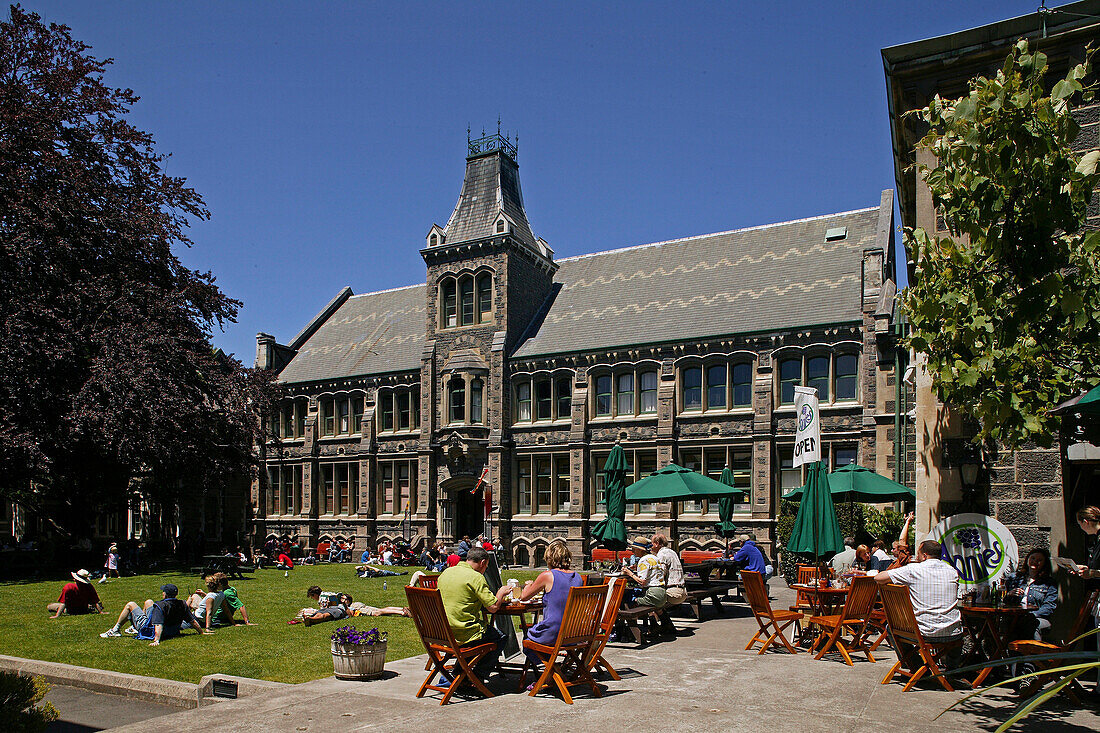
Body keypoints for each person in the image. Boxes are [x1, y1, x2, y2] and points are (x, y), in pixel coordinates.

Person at [874, 539, 963, 653]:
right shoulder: (952, 571)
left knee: (891, 629)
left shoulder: (913, 570)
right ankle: (953, 669)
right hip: (953, 632)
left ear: (924, 556)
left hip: (925, 632)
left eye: (918, 554)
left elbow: (878, 578)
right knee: (953, 641)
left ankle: (915, 666)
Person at [437, 546, 512, 679]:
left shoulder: (446, 573)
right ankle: (475, 676)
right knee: (500, 637)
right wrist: (500, 593)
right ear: (483, 562)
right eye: (486, 566)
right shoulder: (475, 577)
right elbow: (493, 607)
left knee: (487, 636)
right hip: (465, 632)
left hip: (443, 632)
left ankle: (460, 673)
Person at [520, 540, 583, 668]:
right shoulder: (578, 578)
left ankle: (548, 674)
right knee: (541, 638)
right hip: (574, 633)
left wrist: (528, 585)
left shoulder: (548, 576)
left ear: (549, 558)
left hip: (554, 632)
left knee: (528, 642)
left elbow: (524, 597)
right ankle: (554, 671)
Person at [1004, 548, 1058, 640]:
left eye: (1039, 560)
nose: (1035, 562)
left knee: (1032, 625)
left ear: (1044, 564)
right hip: (1016, 616)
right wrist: (1009, 594)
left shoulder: (1049, 582)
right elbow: (1003, 601)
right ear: (1027, 560)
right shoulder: (1014, 578)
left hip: (1037, 617)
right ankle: (1013, 653)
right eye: (1032, 558)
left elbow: (1049, 606)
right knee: (1009, 624)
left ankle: (1034, 652)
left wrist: (1033, 615)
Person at [621, 536, 667, 610]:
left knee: (626, 599)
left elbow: (642, 582)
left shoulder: (643, 560)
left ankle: (629, 619)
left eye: (634, 549)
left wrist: (629, 573)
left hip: (653, 594)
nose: (632, 551)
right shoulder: (654, 557)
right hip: (662, 593)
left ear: (640, 550)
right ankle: (654, 620)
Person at [652, 534, 687, 609]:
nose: (650, 547)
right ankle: (664, 620)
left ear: (657, 543)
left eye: (652, 543)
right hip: (683, 591)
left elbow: (660, 575)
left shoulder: (662, 554)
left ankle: (657, 620)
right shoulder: (672, 552)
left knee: (648, 598)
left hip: (673, 593)